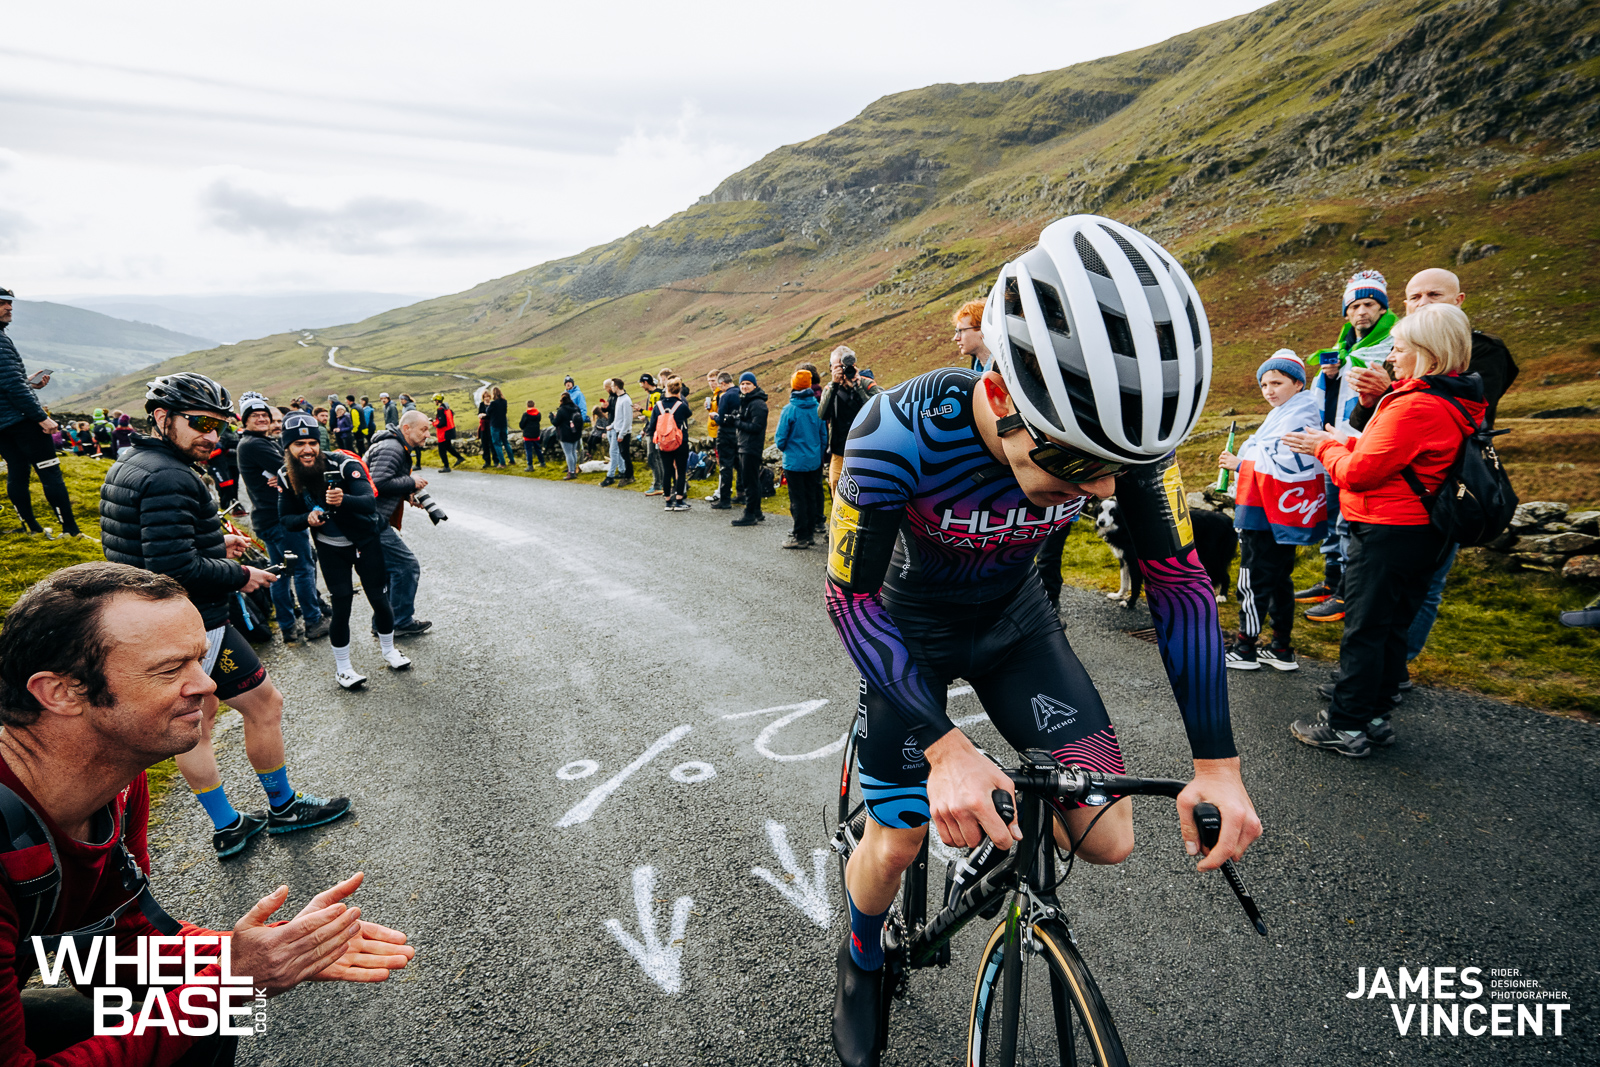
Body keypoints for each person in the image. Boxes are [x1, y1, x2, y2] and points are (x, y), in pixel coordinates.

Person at [827, 217, 1259, 1067]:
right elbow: (851, 598)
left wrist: (1219, 766)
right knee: (899, 837)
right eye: (1075, 464)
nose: (1102, 491)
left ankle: (994, 820)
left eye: (1117, 467)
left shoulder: (1125, 446)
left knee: (1109, 838)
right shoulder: (896, 430)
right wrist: (946, 747)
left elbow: (1178, 583)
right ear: (999, 397)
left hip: (1017, 626)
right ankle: (862, 956)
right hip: (910, 632)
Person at [0, 562, 415, 1066]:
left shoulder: (118, 783)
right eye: (170, 669)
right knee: (208, 1009)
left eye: (199, 660)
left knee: (210, 1021)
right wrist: (227, 983)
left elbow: (114, 952)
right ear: (61, 692)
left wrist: (273, 950)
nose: (208, 685)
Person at [100, 373, 350, 857]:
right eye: (200, 423)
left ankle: (228, 826)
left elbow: (151, 544)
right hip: (195, 620)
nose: (212, 435)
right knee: (263, 706)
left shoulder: (134, 461)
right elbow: (174, 567)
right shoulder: (170, 475)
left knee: (198, 720)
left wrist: (217, 543)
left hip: (154, 621)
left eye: (218, 425)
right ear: (161, 418)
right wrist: (240, 575)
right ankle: (284, 808)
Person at [1284, 302, 1484, 756]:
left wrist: (1324, 447)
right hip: (1426, 530)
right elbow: (1398, 457)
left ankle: (1346, 725)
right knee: (1393, 625)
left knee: (1365, 627)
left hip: (1387, 528)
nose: (1392, 357)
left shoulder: (1415, 405)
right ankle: (1375, 716)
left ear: (1428, 353)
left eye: (1400, 348)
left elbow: (1357, 474)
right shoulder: (1460, 397)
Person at [1345, 267, 1522, 663]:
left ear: (1459, 301)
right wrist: (1373, 399)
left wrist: (1391, 393)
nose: (1422, 303)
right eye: (1414, 297)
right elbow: (1367, 423)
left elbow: (1468, 412)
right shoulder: (1404, 348)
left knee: (1419, 589)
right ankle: (1379, 675)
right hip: (1391, 494)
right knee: (1378, 597)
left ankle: (1394, 668)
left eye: (1433, 295)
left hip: (1441, 491)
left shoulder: (1482, 350)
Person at [277, 412, 410, 688]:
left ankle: (389, 651)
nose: (307, 450)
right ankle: (344, 669)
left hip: (365, 541)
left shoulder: (345, 464)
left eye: (312, 443)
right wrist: (306, 518)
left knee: (379, 598)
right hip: (331, 548)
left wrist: (343, 499)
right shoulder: (286, 475)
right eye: (299, 444)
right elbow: (286, 519)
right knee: (341, 605)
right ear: (288, 448)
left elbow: (368, 502)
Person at [1216, 351, 1328, 672]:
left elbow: (1287, 463)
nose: (1269, 391)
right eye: (1264, 385)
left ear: (1298, 383)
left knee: (1252, 579)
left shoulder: (1297, 416)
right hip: (1281, 512)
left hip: (1266, 511)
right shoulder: (1289, 413)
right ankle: (1281, 648)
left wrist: (1240, 464)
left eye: (1277, 383)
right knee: (1279, 579)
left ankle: (1245, 647)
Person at [1297, 269, 1397, 623]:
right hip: (1334, 441)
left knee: (1348, 521)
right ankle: (1330, 580)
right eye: (1354, 307)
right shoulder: (1341, 350)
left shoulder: (1394, 347)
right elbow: (1326, 399)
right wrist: (1330, 377)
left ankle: (1346, 593)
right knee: (1329, 514)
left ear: (1383, 309)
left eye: (1369, 304)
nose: (1361, 312)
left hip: (1366, 445)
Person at [235, 390, 328, 645]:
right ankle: (313, 621)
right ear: (244, 419)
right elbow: (295, 468)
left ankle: (288, 626)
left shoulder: (256, 442)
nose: (262, 419)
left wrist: (284, 474)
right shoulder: (255, 444)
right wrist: (289, 473)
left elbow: (285, 471)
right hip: (280, 519)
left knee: (280, 572)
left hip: (265, 519)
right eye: (255, 415)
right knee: (303, 568)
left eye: (264, 414)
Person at [0, 288, 84, 538]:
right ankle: (70, 531)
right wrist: (41, 418)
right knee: (50, 472)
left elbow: (8, 381)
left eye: (10, 303)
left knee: (17, 471)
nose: (9, 307)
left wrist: (28, 382)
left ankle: (32, 528)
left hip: (2, 425)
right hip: (23, 421)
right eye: (2, 303)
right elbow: (12, 386)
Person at [365, 410, 434, 637]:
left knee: (390, 570)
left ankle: (383, 623)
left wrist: (407, 494)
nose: (428, 435)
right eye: (423, 429)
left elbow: (381, 481)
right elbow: (377, 483)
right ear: (406, 428)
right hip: (372, 519)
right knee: (406, 566)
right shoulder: (392, 448)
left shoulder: (395, 446)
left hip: (371, 518)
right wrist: (410, 482)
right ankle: (400, 622)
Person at [818, 345, 878, 498]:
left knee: (866, 489)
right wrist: (834, 386)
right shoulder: (830, 388)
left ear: (854, 365)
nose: (843, 371)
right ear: (831, 368)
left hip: (866, 449)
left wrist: (858, 388)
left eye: (845, 366)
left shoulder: (866, 384)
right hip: (839, 452)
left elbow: (877, 411)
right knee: (836, 488)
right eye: (838, 367)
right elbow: (822, 414)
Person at [775, 368, 825, 549]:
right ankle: (809, 534)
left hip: (794, 463)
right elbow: (823, 436)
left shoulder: (790, 410)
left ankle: (800, 535)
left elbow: (780, 439)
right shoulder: (818, 408)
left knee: (797, 500)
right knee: (811, 497)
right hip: (813, 461)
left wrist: (788, 450)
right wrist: (817, 453)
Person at [727, 372, 770, 527]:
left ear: (754, 385)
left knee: (750, 482)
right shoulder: (747, 401)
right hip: (745, 445)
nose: (744, 386)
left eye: (748, 384)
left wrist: (736, 423)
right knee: (752, 480)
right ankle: (756, 511)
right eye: (742, 384)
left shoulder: (757, 404)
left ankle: (749, 514)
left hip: (751, 447)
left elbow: (756, 427)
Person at [646, 377, 692, 510]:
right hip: (679, 441)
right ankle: (679, 501)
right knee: (681, 471)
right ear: (679, 390)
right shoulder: (681, 406)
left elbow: (652, 426)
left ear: (666, 389)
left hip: (664, 442)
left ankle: (667, 501)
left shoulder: (658, 406)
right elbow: (688, 414)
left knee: (667, 471)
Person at [709, 371, 741, 509]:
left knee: (726, 467)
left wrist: (714, 416)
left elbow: (721, 419)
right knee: (739, 465)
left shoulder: (725, 396)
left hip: (726, 435)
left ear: (723, 383)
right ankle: (741, 493)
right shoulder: (741, 392)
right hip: (739, 433)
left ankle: (725, 499)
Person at [602, 378, 634, 486]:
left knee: (625, 455)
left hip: (623, 432)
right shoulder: (619, 398)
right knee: (622, 454)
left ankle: (629, 476)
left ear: (616, 387)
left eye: (612, 386)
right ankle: (627, 475)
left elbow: (627, 419)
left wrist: (621, 434)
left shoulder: (626, 400)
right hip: (618, 430)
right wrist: (611, 426)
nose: (611, 388)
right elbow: (618, 417)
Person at [637, 373, 665, 496]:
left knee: (652, 457)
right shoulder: (651, 394)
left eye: (641, 383)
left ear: (646, 382)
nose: (641, 386)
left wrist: (641, 410)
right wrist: (645, 426)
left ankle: (657, 484)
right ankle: (661, 484)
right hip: (651, 429)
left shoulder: (656, 395)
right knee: (656, 457)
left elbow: (655, 413)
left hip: (655, 431)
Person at [951, 299, 991, 371]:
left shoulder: (1004, 371)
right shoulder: (976, 368)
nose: (956, 338)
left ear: (982, 330)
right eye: (956, 331)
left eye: (961, 331)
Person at [432, 393, 465, 472]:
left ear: (437, 401)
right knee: (448, 447)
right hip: (450, 430)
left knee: (441, 450)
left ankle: (446, 466)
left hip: (443, 433)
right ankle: (459, 457)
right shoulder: (447, 408)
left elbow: (441, 423)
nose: (434, 402)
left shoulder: (440, 409)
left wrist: (433, 423)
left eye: (434, 400)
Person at [554, 390, 582, 479]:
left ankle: (571, 472)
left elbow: (556, 422)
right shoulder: (576, 408)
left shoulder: (562, 410)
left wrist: (552, 417)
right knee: (573, 452)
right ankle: (573, 470)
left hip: (565, 434)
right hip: (575, 433)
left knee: (568, 454)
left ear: (561, 400)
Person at [487, 386, 510, 467]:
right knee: (506, 442)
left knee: (497, 444)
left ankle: (502, 463)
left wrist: (489, 405)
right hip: (503, 424)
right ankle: (512, 460)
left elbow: (488, 412)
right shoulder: (504, 402)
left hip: (495, 425)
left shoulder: (493, 403)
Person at [520, 399, 545, 469]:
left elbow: (521, 425)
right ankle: (542, 462)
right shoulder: (538, 414)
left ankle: (530, 465)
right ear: (534, 405)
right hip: (536, 434)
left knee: (529, 450)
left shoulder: (525, 414)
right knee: (538, 449)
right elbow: (539, 420)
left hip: (527, 435)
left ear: (527, 406)